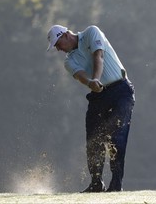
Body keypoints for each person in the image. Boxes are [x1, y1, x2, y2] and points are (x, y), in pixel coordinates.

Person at [47, 24, 135, 192]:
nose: (58, 49)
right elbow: (80, 75)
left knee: (116, 139)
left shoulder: (91, 32)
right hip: (98, 96)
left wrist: (95, 79)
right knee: (94, 139)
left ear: (65, 35)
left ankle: (116, 185)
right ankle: (96, 183)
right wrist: (90, 83)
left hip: (121, 91)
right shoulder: (69, 60)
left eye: (58, 44)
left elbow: (98, 55)